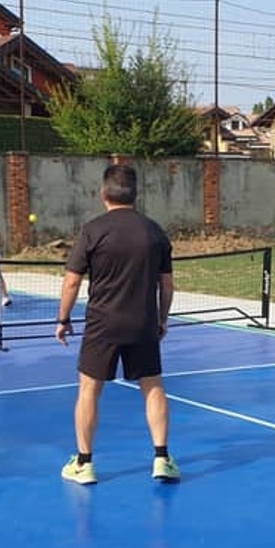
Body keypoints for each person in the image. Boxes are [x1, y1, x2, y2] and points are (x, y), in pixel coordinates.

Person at [54, 164, 180, 485]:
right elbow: (167, 286)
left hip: (102, 325)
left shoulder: (92, 231)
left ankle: (84, 464)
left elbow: (71, 283)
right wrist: (162, 319)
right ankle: (162, 458)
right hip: (143, 324)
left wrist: (63, 319)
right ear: (135, 195)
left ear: (103, 194)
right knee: (152, 388)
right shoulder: (155, 232)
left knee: (88, 391)